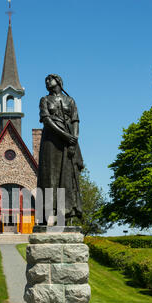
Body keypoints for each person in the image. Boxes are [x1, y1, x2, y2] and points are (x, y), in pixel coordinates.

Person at [37, 74, 84, 224]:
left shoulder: (70, 100)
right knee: (50, 175)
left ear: (58, 82)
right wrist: (64, 135)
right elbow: (46, 120)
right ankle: (49, 212)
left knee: (67, 175)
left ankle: (66, 212)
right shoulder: (44, 100)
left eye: (49, 79)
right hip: (51, 140)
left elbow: (75, 120)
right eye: (46, 81)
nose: (47, 82)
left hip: (68, 141)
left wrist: (73, 141)